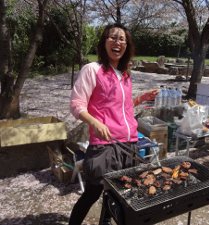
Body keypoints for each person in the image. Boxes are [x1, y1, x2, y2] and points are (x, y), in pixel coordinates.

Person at [68, 23, 157, 225]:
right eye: (113, 37)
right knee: (93, 192)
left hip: (129, 143)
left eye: (122, 39)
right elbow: (76, 104)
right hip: (104, 145)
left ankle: (105, 221)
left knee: (119, 192)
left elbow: (122, 107)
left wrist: (141, 99)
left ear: (127, 45)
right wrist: (94, 122)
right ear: (104, 42)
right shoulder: (93, 69)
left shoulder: (125, 75)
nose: (117, 42)